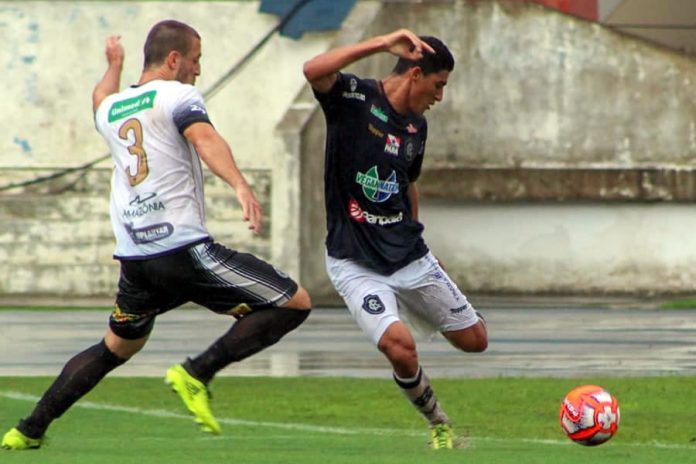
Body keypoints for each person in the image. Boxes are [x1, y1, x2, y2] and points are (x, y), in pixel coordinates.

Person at [2, 20, 312, 450]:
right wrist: (239, 184)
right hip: (182, 250)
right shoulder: (179, 95)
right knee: (294, 302)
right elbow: (204, 138)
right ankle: (196, 373)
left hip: (136, 261)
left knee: (115, 348)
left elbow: (98, 97)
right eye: (196, 60)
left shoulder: (113, 109)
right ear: (174, 59)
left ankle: (27, 429)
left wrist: (114, 65)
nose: (198, 70)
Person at [303, 29, 488, 450]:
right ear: (416, 74)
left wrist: (418, 242)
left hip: (409, 257)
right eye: (438, 85)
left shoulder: (417, 128)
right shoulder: (353, 98)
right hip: (354, 261)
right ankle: (438, 422)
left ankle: (411, 300)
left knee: (475, 341)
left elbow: (408, 182)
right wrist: (381, 44)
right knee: (400, 347)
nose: (440, 96)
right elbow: (312, 69)